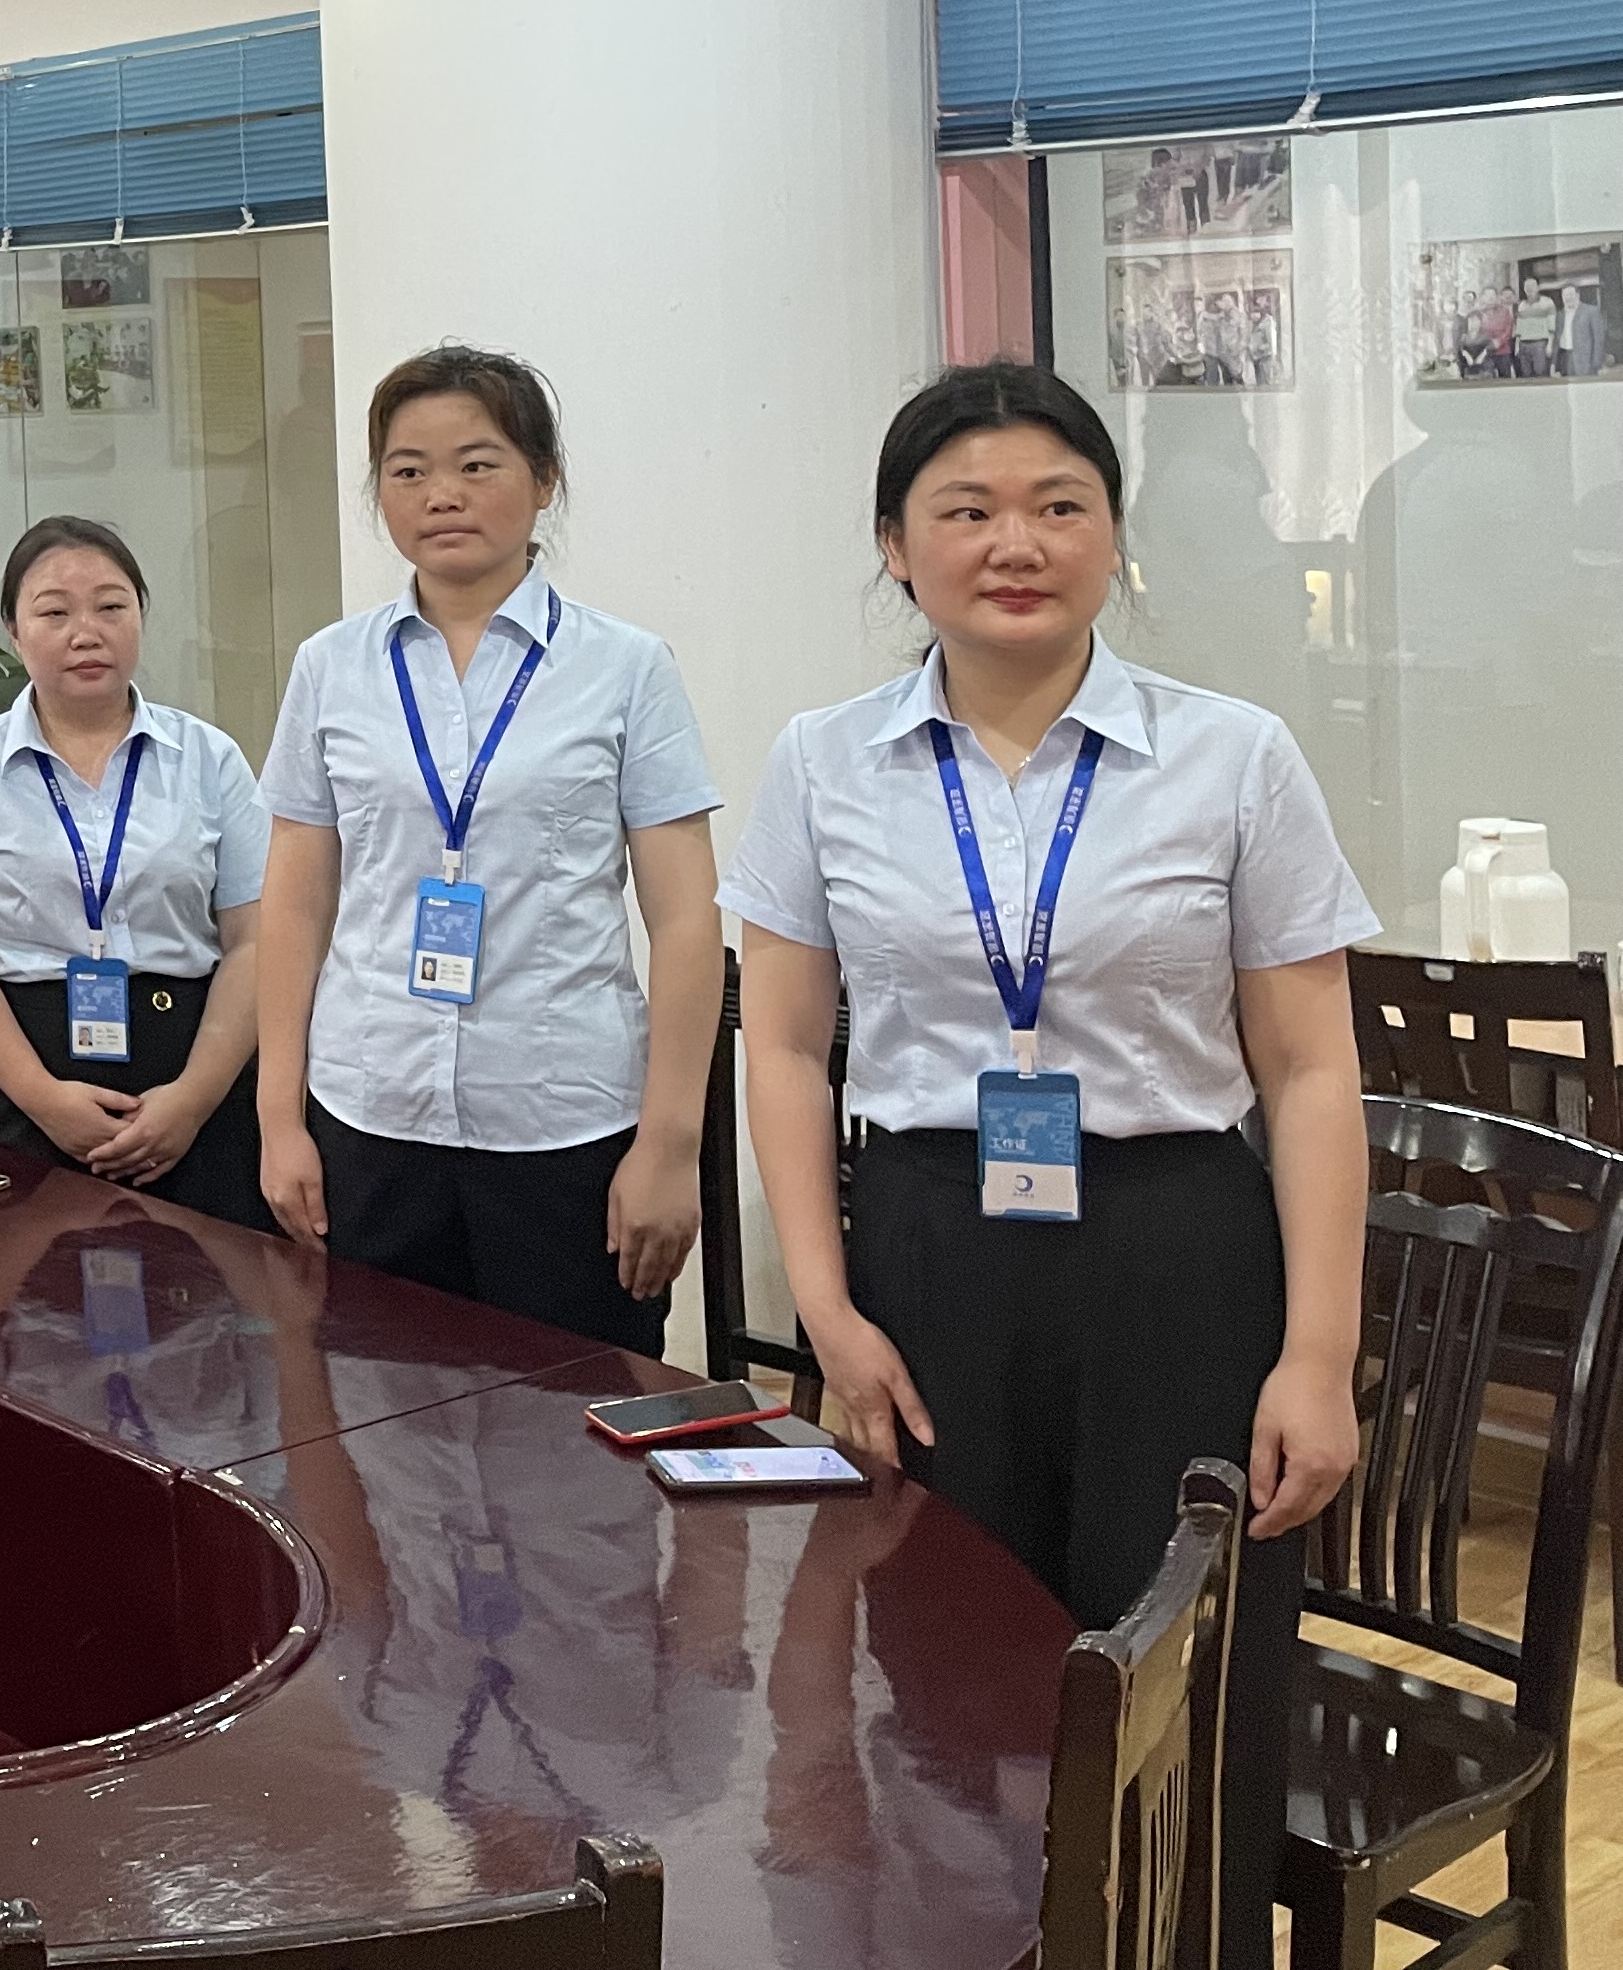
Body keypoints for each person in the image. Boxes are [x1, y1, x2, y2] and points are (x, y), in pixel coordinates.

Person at [721, 360, 1370, 1924]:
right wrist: (828, 1315)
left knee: (1185, 1676)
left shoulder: (1233, 756)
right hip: (932, 1251)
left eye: (1057, 506)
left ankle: (1184, 1943)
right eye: (968, 510)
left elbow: (1307, 1068)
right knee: (947, 1661)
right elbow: (792, 1052)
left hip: (1180, 1249)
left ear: (1113, 536)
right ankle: (972, 1943)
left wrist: (1320, 1356)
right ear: (897, 545)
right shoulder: (822, 764)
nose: (1015, 541)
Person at [251, 346, 725, 1359]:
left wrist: (669, 1144)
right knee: (387, 1434)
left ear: (544, 480)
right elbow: (292, 905)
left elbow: (685, 921)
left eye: (478, 463)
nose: (441, 495)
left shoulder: (625, 668)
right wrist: (279, 1116)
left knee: (576, 1455)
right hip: (369, 1114)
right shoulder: (331, 669)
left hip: (563, 1124)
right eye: (407, 469)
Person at [0, 515, 272, 1222]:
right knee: (35, 1310)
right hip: (21, 1067)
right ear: (14, 629)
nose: (86, 631)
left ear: (140, 615)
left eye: (110, 605)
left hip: (191, 1064)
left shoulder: (209, 759)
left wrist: (191, 1101)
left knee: (203, 1308)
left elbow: (255, 940)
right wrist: (43, 1100)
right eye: (54, 612)